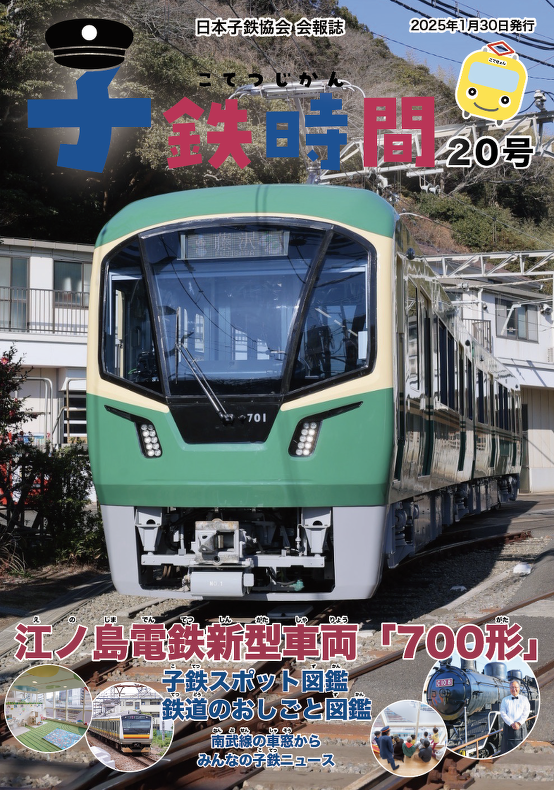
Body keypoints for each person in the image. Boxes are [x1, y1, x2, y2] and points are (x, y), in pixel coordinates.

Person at [500, 680, 530, 755]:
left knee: (523, 751)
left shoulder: (524, 699)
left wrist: (518, 723)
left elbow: (526, 712)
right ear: (509, 688)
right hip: (508, 727)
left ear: (519, 688)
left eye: (516, 687)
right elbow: (503, 713)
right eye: (512, 687)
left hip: (521, 727)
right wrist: (511, 723)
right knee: (506, 751)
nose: (514, 689)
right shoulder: (505, 700)